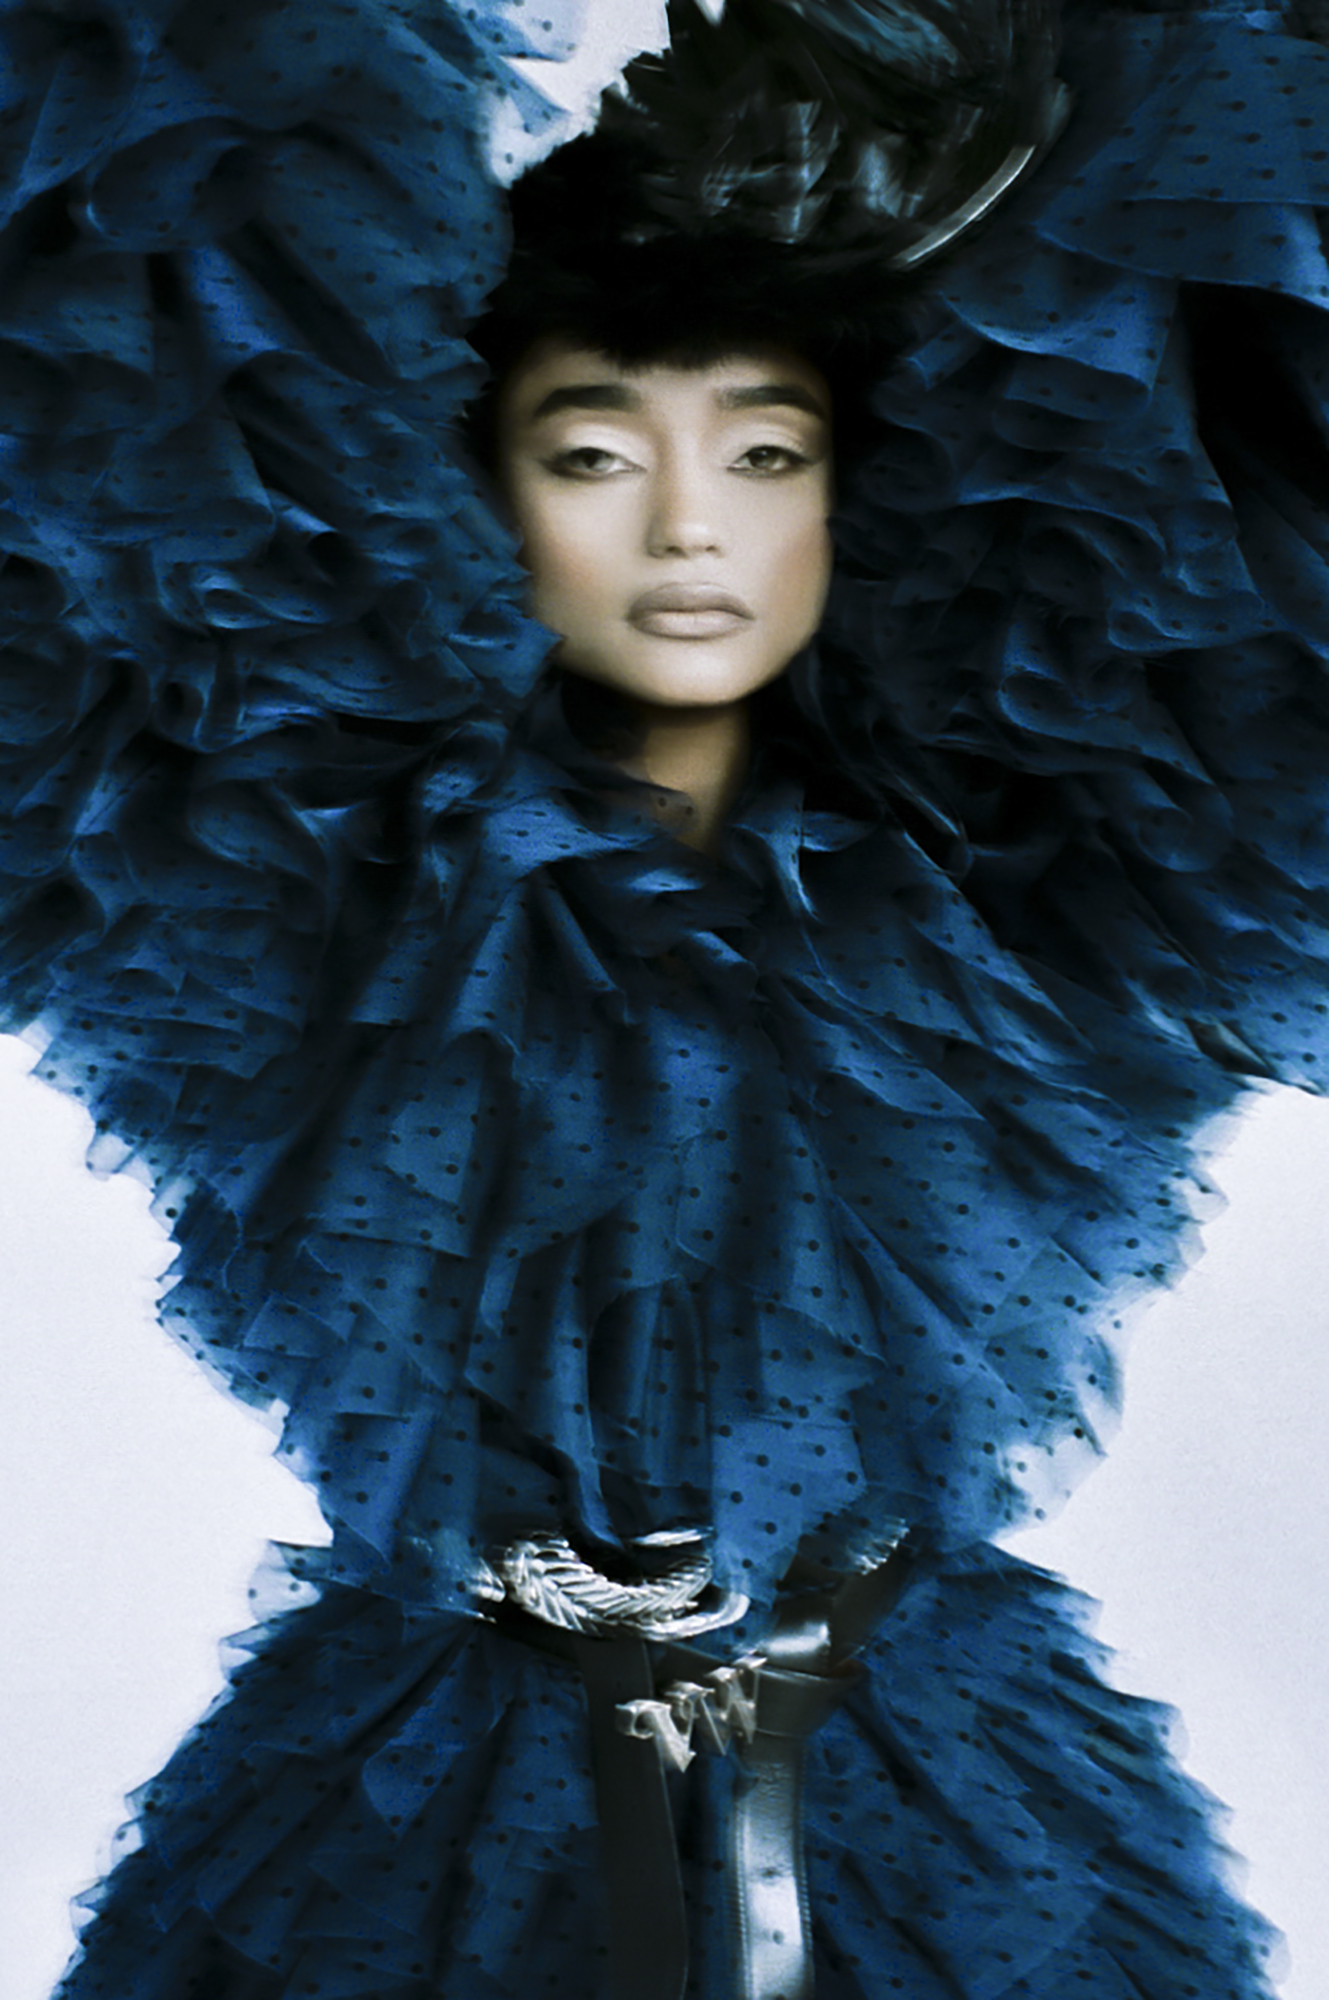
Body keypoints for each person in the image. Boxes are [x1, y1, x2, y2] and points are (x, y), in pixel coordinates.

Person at [4, 0, 1329, 1995]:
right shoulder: (303, 901)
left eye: (764, 451)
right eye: (592, 453)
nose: (689, 526)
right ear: (481, 490)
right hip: (408, 1818)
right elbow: (159, 417)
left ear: (850, 492)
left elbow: (1193, 502)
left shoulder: (1035, 900)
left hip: (950, 1815)